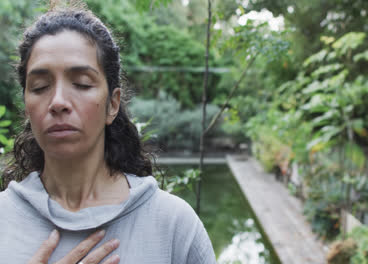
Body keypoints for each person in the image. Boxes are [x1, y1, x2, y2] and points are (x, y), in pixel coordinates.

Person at [0, 2, 217, 264]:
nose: (58, 101)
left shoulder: (173, 225)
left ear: (112, 104)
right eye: (40, 86)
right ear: (26, 106)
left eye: (81, 84)